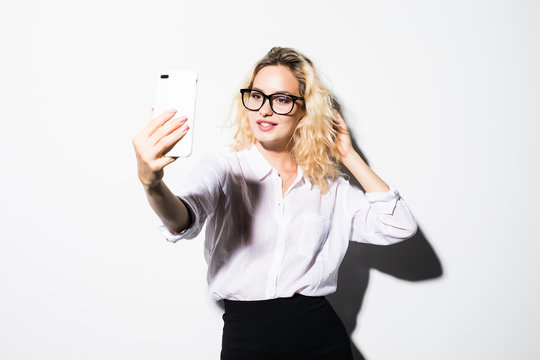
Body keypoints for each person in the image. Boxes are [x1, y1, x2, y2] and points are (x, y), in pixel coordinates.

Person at [132, 47, 418, 360]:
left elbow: (399, 225)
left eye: (281, 99)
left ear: (304, 109)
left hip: (321, 337)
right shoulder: (226, 168)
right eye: (256, 95)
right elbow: (182, 219)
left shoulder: (330, 187)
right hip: (247, 338)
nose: (264, 110)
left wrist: (349, 157)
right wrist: (153, 184)